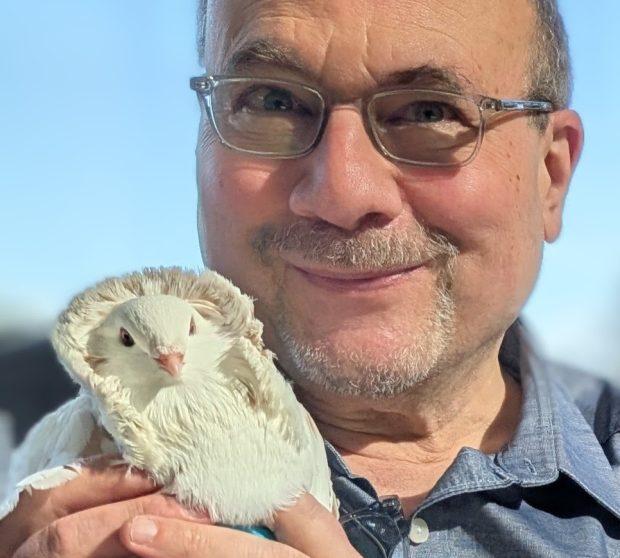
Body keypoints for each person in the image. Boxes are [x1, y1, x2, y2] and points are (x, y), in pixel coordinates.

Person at [3, 0, 618, 556]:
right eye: (272, 101)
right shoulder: (28, 460)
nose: (342, 193)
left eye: (429, 112)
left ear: (550, 176)